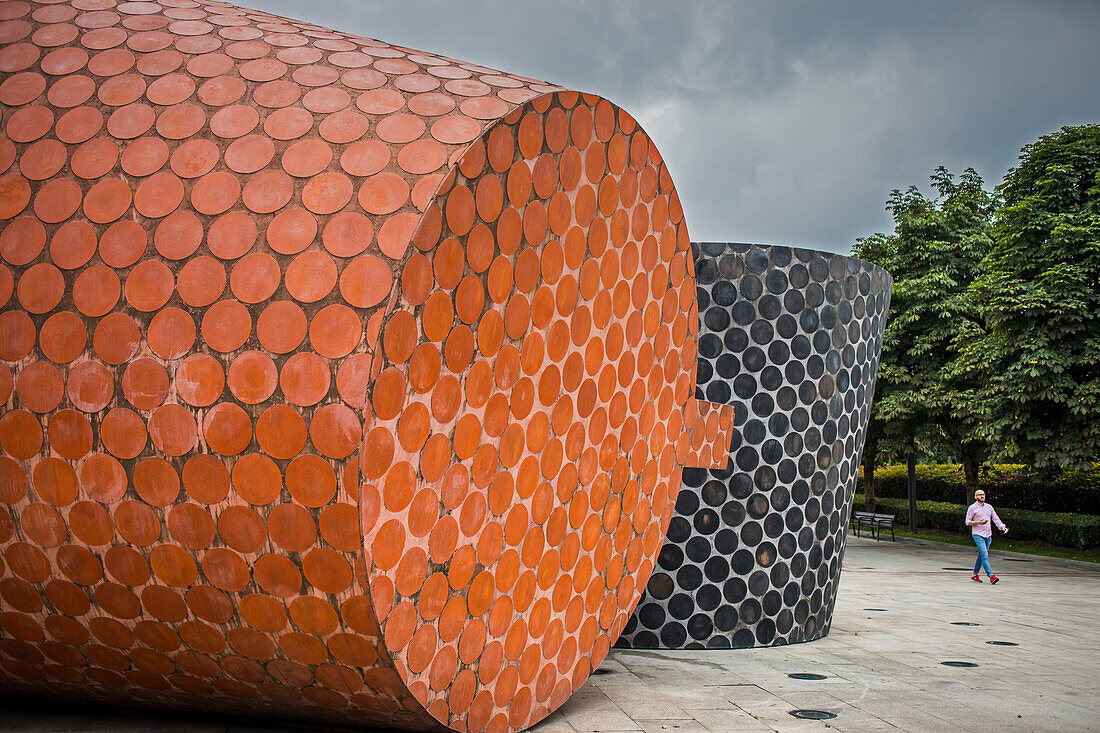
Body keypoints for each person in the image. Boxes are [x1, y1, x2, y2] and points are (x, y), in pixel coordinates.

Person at [965, 489, 1008, 583]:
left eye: (983, 494)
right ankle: (991, 576)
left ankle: (975, 574)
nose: (982, 496)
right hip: (978, 534)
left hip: (988, 535)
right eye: (980, 495)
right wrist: (978, 522)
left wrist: (1002, 527)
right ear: (975, 497)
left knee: (981, 555)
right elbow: (967, 522)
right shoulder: (972, 508)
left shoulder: (989, 507)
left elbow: (995, 518)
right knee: (984, 555)